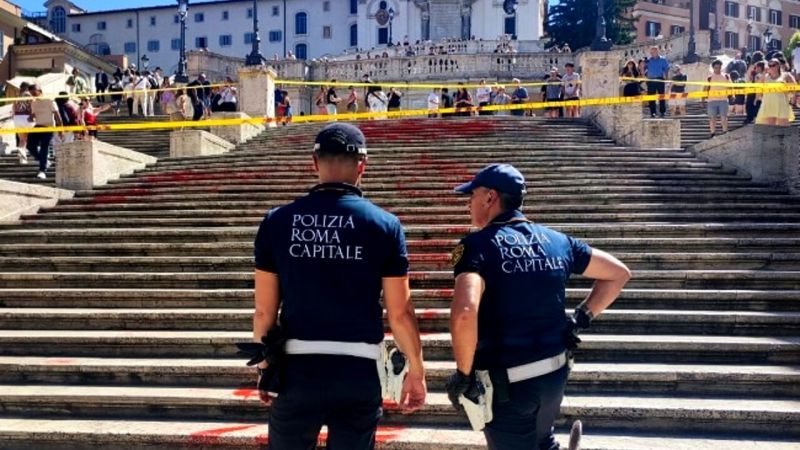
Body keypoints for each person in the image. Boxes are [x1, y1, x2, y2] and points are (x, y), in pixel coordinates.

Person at [251, 123, 427, 449]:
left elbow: (264, 311)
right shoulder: (385, 225)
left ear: (314, 162)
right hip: (357, 371)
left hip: (296, 371)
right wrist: (416, 369)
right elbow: (400, 313)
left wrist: (265, 367)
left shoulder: (277, 221)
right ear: (363, 164)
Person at [445, 163, 631, 450]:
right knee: (542, 442)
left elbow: (465, 312)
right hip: (553, 374)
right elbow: (618, 274)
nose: (469, 203)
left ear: (490, 197)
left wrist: (464, 374)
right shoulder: (558, 241)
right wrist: (579, 319)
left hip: (508, 386)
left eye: (472, 195)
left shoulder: (477, 246)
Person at [27, 84, 64, 179]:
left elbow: (57, 115)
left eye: (34, 93)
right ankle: (45, 161)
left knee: (44, 147)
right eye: (31, 94)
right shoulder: (34, 103)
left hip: (48, 127)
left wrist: (61, 129)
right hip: (38, 126)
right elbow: (34, 115)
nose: (33, 95)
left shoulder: (49, 101)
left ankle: (42, 170)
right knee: (30, 146)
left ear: (39, 90)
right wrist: (31, 117)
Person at [756, 59, 797, 126]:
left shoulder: (786, 75)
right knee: (771, 129)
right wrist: (764, 73)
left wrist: (792, 98)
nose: (771, 67)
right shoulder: (766, 76)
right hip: (769, 103)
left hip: (781, 103)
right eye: (770, 65)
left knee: (783, 128)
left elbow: (794, 87)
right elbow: (758, 85)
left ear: (778, 66)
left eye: (773, 65)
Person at [703, 59, 731, 136]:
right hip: (712, 100)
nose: (717, 69)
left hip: (723, 100)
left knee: (724, 117)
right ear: (713, 68)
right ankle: (712, 133)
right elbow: (705, 88)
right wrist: (703, 99)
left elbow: (730, 87)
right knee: (712, 118)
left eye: (719, 67)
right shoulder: (709, 77)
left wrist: (732, 95)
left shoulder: (726, 76)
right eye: (716, 67)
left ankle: (725, 131)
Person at [645, 46, 670, 118]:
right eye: (651, 52)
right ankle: (652, 112)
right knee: (651, 97)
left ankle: (662, 112)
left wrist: (667, 78)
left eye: (653, 52)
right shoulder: (648, 61)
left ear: (657, 51)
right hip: (650, 80)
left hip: (659, 79)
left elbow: (666, 69)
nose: (652, 53)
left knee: (661, 96)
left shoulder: (663, 60)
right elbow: (643, 68)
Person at [12, 81, 32, 164]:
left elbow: (14, 107)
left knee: (21, 139)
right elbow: (32, 106)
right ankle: (23, 157)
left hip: (17, 117)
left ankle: (21, 156)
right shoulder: (29, 95)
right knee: (25, 139)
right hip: (26, 117)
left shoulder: (17, 95)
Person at [744, 52, 766, 124]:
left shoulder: (751, 66)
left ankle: (750, 118)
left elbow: (748, 78)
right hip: (761, 88)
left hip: (752, 88)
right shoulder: (765, 65)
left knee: (750, 104)